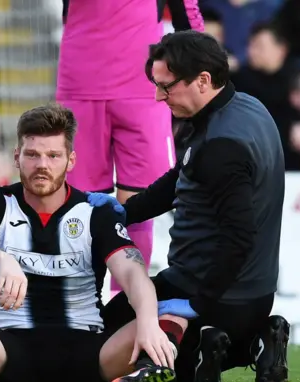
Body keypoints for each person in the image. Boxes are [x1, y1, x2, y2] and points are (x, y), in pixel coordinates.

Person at [0, 103, 189, 382]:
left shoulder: (94, 210)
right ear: (17, 157)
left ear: (71, 160)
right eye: (32, 155)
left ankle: (146, 371)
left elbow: (131, 273)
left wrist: (148, 322)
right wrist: (2, 259)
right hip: (4, 353)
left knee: (170, 313)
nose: (42, 165)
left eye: (53, 156)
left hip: (91, 356)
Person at [88, 31, 290, 382]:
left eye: (166, 87)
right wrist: (120, 212)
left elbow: (239, 237)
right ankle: (258, 340)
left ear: (203, 80)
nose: (157, 96)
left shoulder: (221, 146)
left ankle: (226, 345)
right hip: (249, 291)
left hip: (215, 291)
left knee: (107, 358)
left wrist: (198, 303)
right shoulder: (246, 107)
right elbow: (180, 177)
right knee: (114, 318)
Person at [56, 0, 204, 297]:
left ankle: (124, 305)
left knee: (139, 204)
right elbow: (186, 12)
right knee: (80, 206)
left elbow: (185, 10)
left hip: (138, 86)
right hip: (88, 83)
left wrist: (203, 64)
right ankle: (84, 308)